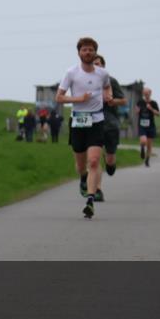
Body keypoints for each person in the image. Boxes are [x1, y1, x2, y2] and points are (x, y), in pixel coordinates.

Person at [56, 37, 111, 219]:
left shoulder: (102, 74)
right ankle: (82, 177)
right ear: (79, 52)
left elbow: (108, 88)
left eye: (91, 50)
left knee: (94, 161)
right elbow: (59, 97)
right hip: (78, 121)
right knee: (81, 165)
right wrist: (78, 100)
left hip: (96, 120)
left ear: (95, 52)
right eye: (84, 50)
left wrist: (107, 95)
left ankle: (90, 199)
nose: (88, 52)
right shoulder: (71, 73)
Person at [93, 54, 126, 201]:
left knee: (110, 159)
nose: (96, 66)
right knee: (94, 159)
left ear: (103, 66)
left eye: (98, 63)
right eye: (93, 64)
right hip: (93, 124)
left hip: (110, 124)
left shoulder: (111, 81)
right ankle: (98, 190)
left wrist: (112, 101)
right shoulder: (85, 82)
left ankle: (110, 162)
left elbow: (124, 100)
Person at [136, 87, 160, 167]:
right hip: (142, 125)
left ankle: (147, 160)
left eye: (147, 94)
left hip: (151, 126)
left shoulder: (154, 103)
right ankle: (142, 148)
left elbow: (158, 114)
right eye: (144, 94)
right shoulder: (140, 102)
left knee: (149, 145)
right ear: (143, 94)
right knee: (143, 141)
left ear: (150, 93)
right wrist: (137, 111)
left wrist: (151, 109)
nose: (146, 95)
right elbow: (136, 111)